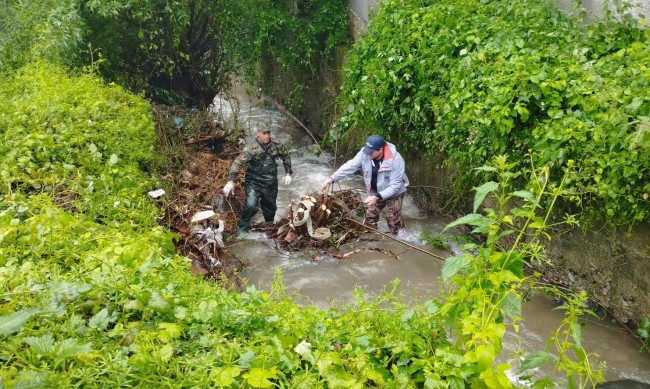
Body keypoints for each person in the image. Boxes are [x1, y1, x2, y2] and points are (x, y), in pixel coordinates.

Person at [321, 134, 408, 235]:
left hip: (394, 193)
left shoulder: (396, 160)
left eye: (371, 152)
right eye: (367, 151)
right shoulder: (365, 153)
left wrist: (377, 197)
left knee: (393, 222)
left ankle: (405, 240)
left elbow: (395, 185)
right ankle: (371, 240)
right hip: (375, 190)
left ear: (380, 150)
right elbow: (351, 166)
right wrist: (332, 178)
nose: (368, 154)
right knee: (370, 216)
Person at [223, 123, 292, 233]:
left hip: (270, 183)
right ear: (258, 133)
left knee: (270, 209)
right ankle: (242, 229)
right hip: (254, 182)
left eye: (268, 133)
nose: (267, 136)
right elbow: (237, 163)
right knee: (250, 206)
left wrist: (288, 173)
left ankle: (269, 230)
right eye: (264, 133)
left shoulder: (276, 144)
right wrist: (230, 181)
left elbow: (286, 155)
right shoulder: (251, 148)